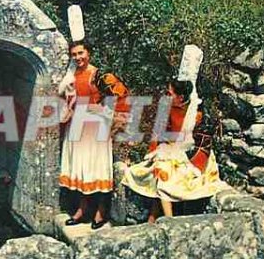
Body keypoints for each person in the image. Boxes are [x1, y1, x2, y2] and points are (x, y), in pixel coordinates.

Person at [121, 46, 230, 222]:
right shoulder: (166, 108)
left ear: (180, 97)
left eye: (170, 93)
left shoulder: (198, 113)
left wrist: (195, 166)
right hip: (170, 151)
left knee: (164, 173)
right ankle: (156, 216)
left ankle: (167, 220)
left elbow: (202, 144)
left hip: (191, 156)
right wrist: (153, 150)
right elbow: (158, 133)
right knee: (157, 169)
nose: (167, 95)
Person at [59, 40, 130, 229]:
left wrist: (107, 113)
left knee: (96, 168)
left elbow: (121, 95)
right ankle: (82, 210)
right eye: (74, 54)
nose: (78, 57)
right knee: (82, 169)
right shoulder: (71, 75)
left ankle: (101, 212)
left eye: (81, 53)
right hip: (77, 126)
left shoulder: (99, 75)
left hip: (96, 126)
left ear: (88, 53)